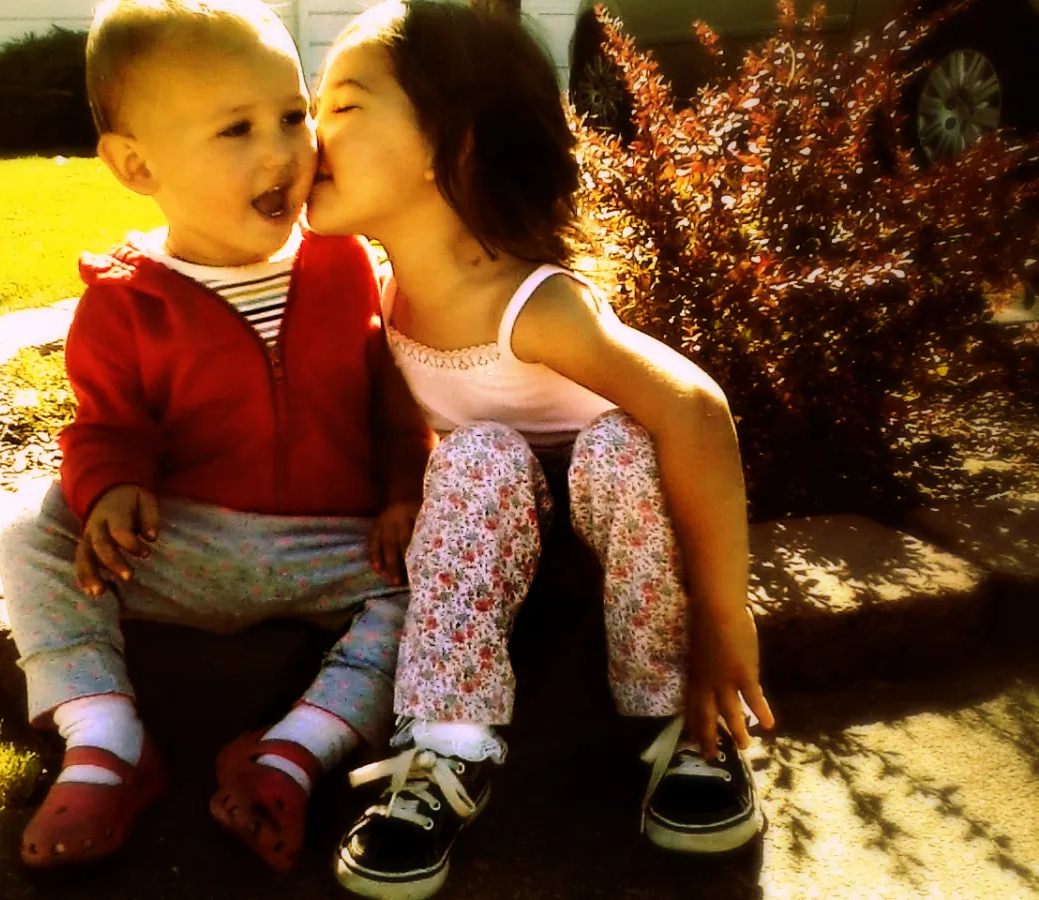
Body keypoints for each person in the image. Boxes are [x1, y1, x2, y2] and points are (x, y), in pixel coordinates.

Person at [305, 2, 777, 896]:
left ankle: (685, 726)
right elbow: (398, 412)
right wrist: (403, 489)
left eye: (346, 106)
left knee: (617, 446)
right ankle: (445, 749)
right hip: (500, 521)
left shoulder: (536, 306)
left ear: (455, 143)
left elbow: (696, 412)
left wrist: (725, 620)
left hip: (619, 523)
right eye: (312, 106)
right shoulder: (384, 293)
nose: (312, 131)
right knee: (474, 456)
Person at [0, 0, 431, 873]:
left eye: (293, 116)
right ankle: (106, 740)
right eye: (237, 129)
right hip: (183, 544)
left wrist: (403, 494)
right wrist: (113, 487)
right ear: (136, 165)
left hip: (333, 546)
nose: (282, 151)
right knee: (30, 536)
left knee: (438, 587)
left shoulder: (343, 263)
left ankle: (294, 753)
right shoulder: (125, 299)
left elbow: (392, 403)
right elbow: (107, 422)